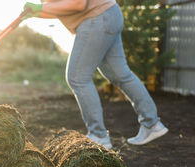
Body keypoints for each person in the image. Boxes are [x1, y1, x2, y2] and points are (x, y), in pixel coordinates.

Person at [23, 0, 168, 149]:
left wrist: (40, 7)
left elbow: (78, 4)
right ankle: (152, 124)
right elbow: (61, 9)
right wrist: (35, 13)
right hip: (108, 14)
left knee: (78, 78)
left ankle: (98, 136)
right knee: (120, 74)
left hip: (97, 18)